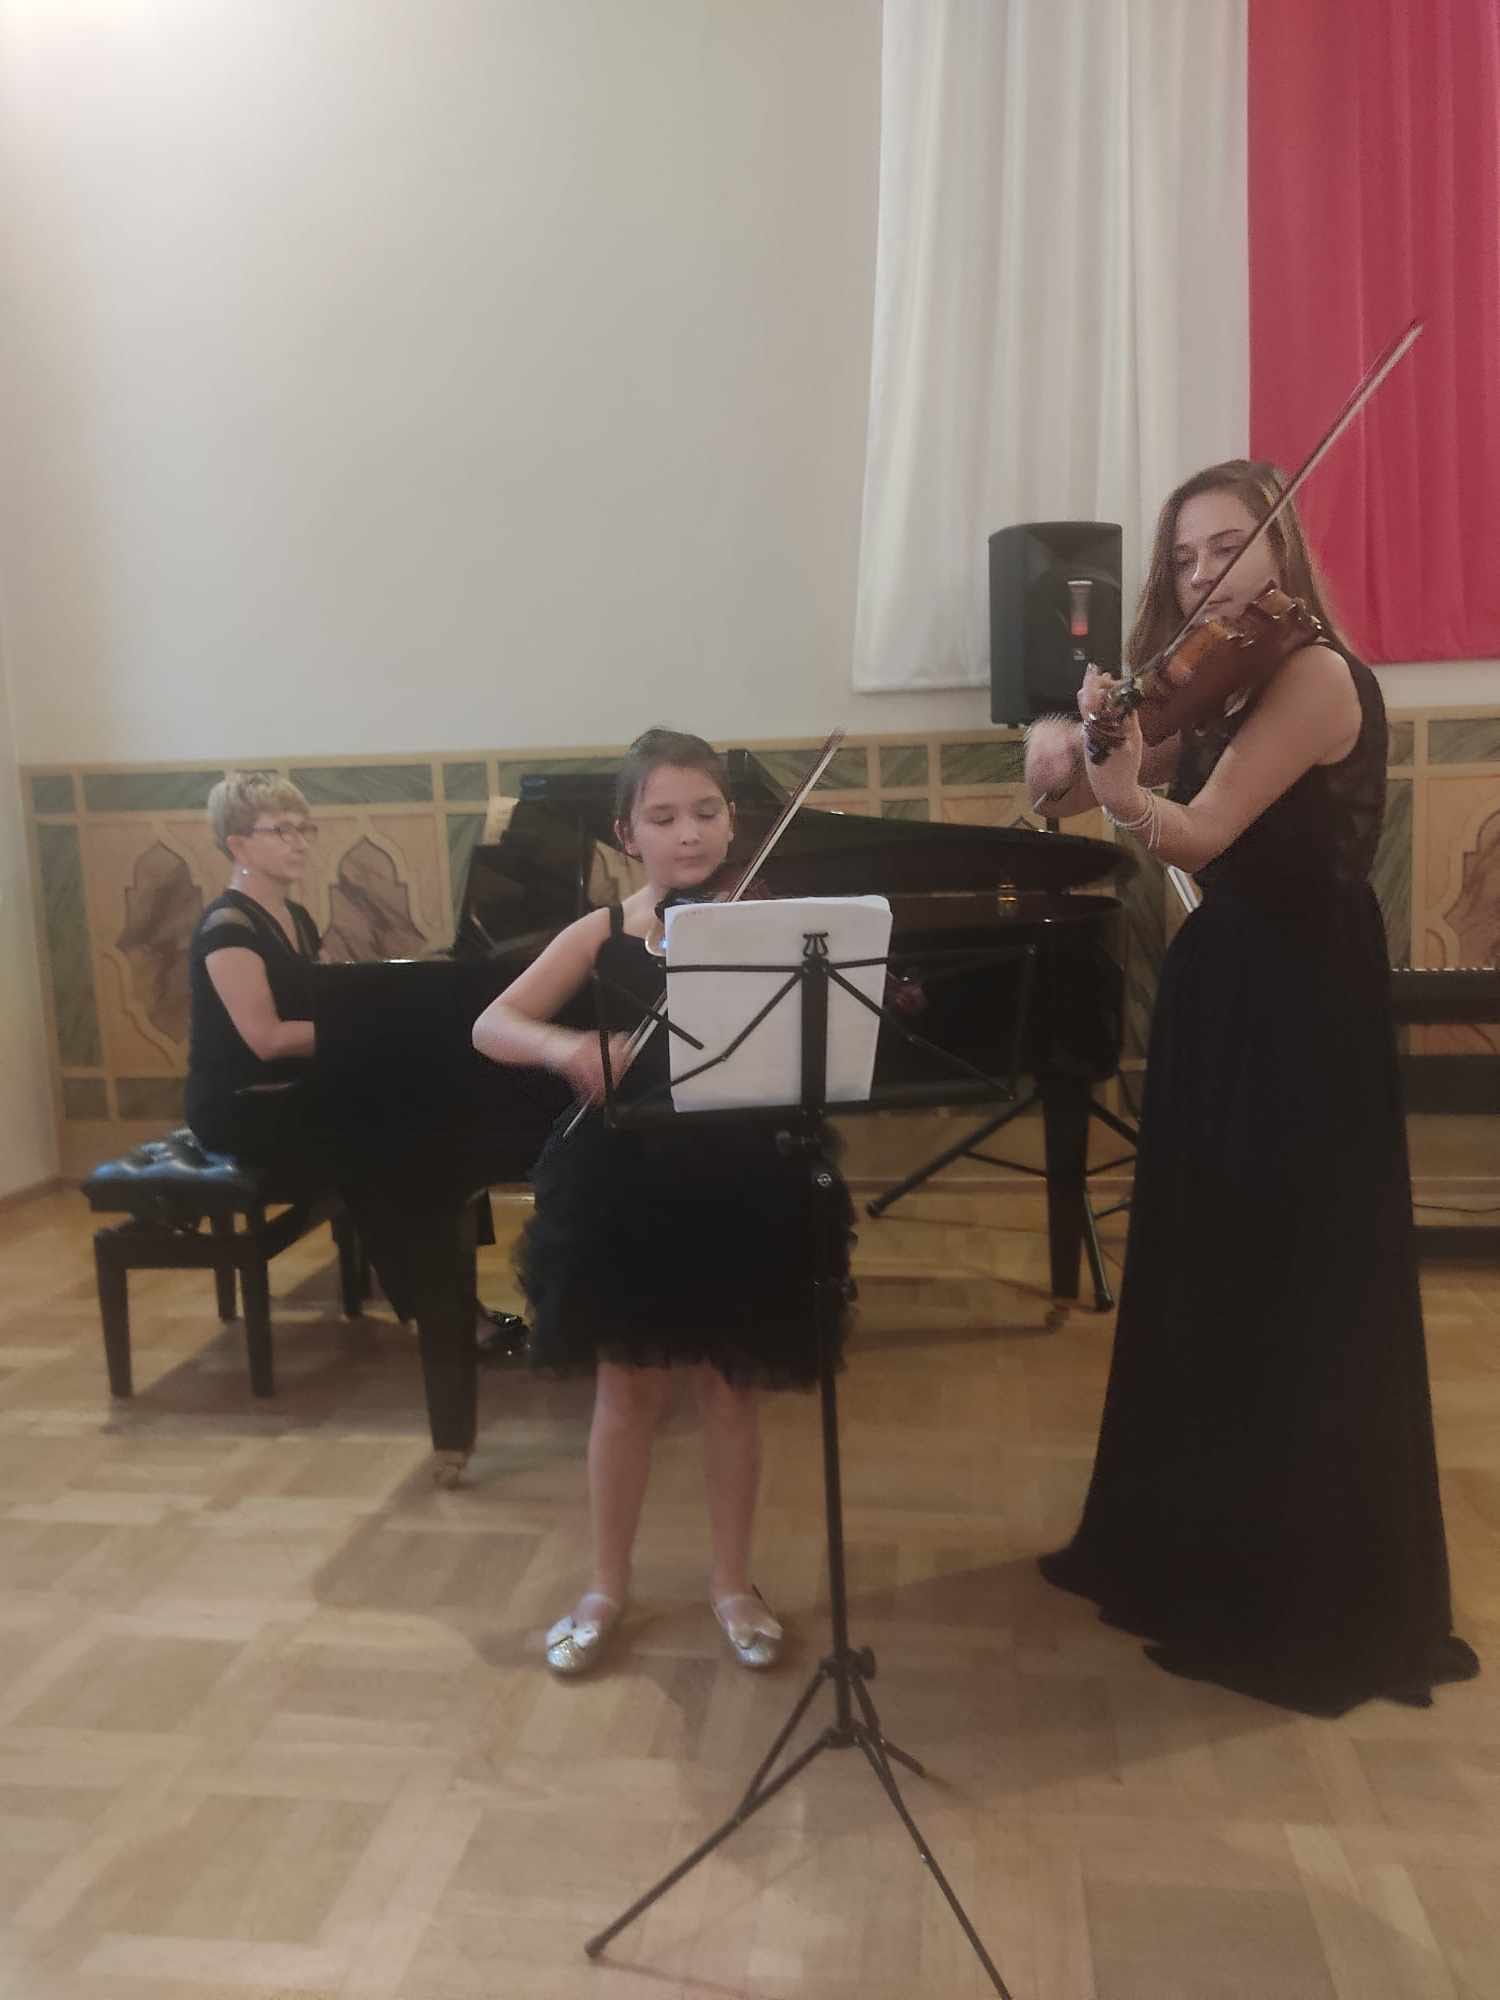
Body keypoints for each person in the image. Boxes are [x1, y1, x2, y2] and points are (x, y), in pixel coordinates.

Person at [1024, 459, 1478, 1715]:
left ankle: (1289, 1583)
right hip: (1228, 979)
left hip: (1301, 995)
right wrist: (1073, 740)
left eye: (1228, 545)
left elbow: (1204, 829)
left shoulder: (1314, 673)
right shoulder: (1218, 675)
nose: (1205, 572)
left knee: (1289, 1267)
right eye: (1183, 558)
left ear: (1282, 549)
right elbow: (1071, 786)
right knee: (1212, 1257)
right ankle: (1187, 1543)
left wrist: (1126, 793)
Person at [472, 728, 853, 1677]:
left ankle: (732, 1583)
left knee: (730, 1391)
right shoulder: (604, 932)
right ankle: (605, 1585)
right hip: (628, 1186)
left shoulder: (768, 924)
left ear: (733, 820)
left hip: (745, 1179)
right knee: (626, 1393)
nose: (689, 834)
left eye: (707, 813)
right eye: (665, 817)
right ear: (626, 834)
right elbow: (491, 1023)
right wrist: (566, 1048)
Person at [186, 772, 332, 1189]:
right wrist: (363, 1028)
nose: (300, 843)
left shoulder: (298, 918)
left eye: (304, 829)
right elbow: (268, 1040)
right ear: (238, 845)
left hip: (291, 1089)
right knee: (391, 1125)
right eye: (283, 830)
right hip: (241, 1107)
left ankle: (386, 1230)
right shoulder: (227, 926)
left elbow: (328, 999)